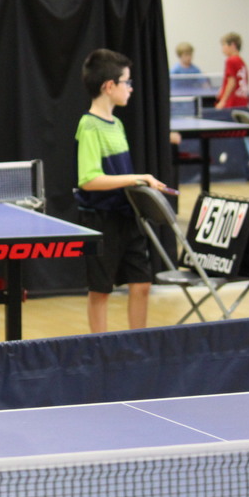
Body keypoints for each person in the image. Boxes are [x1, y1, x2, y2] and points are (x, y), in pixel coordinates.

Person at [75, 48, 169, 334]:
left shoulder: (117, 124)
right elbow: (88, 180)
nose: (130, 88)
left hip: (127, 216)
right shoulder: (89, 125)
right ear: (109, 86)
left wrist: (140, 184)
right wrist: (137, 178)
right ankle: (99, 346)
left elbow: (119, 176)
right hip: (100, 219)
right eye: (127, 82)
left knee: (142, 284)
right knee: (101, 290)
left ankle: (137, 343)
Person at [213, 32, 249, 109]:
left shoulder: (230, 60)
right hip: (242, 101)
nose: (222, 49)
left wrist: (223, 100)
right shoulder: (241, 61)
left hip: (232, 102)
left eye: (224, 45)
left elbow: (231, 82)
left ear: (233, 45)